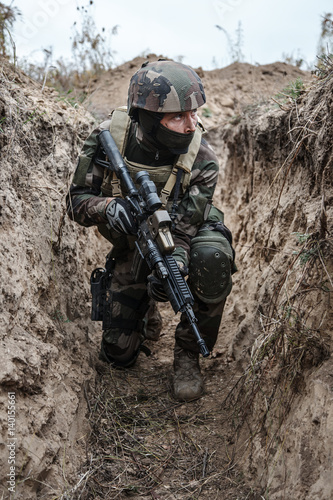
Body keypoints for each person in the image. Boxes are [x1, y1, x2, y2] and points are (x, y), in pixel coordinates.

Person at [66, 59, 236, 401]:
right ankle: (144, 313)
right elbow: (76, 203)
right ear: (146, 116)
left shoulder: (201, 158)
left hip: (184, 235)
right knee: (118, 356)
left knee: (212, 259)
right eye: (178, 116)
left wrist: (178, 264)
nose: (192, 125)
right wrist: (108, 207)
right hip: (132, 243)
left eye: (195, 113)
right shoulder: (108, 139)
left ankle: (187, 354)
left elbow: (186, 229)